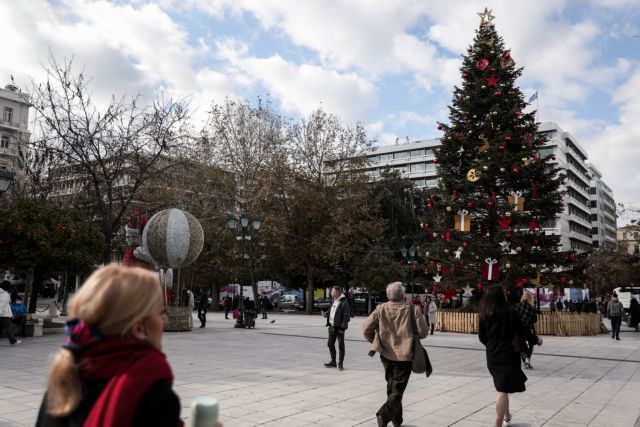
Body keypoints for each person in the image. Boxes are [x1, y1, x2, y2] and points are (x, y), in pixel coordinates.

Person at [35, 265, 223, 427]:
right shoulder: (154, 396)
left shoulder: (64, 379)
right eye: (160, 312)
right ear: (138, 327)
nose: (164, 321)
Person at [363, 282, 429, 427]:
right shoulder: (413, 310)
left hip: (386, 355)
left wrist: (377, 342)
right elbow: (424, 332)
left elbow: (366, 329)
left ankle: (397, 421)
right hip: (405, 356)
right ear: (402, 295)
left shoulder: (380, 309)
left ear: (388, 295)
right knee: (397, 390)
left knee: (392, 387)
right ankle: (384, 414)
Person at [479, 284, 540, 427]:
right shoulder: (511, 313)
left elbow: (482, 337)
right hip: (508, 353)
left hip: (492, 354)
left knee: (502, 386)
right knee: (502, 389)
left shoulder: (484, 314)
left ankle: (507, 416)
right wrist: (536, 340)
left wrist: (492, 346)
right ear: (501, 296)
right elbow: (523, 331)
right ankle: (498, 423)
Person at [323, 286, 350, 371]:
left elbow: (346, 317)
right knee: (330, 344)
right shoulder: (333, 301)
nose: (331, 293)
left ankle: (340, 363)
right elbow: (332, 311)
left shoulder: (344, 302)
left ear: (337, 292)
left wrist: (342, 328)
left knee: (340, 346)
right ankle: (333, 362)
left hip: (339, 327)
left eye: (332, 292)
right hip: (332, 326)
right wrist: (326, 314)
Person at [515, 293, 541, 369]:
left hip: (518, 330)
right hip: (527, 330)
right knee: (531, 345)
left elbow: (513, 317)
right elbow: (535, 320)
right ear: (530, 299)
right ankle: (527, 361)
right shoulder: (532, 308)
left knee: (521, 348)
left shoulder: (517, 306)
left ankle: (525, 361)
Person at [0, 280, 21, 345]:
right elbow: (2, 304)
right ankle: (13, 341)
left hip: (2, 313)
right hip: (4, 314)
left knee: (0, 328)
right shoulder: (5, 295)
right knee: (9, 328)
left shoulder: (1, 293)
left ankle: (13, 341)